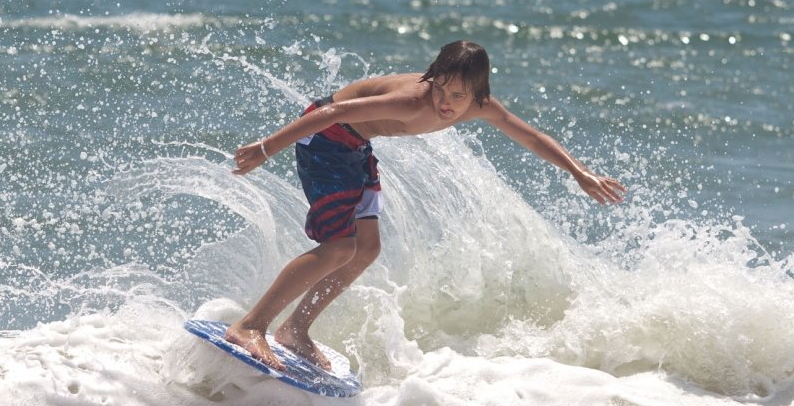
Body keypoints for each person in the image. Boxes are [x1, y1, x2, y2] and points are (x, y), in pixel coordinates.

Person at [227, 40, 625, 371]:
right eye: (440, 89)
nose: (446, 103)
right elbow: (332, 112)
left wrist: (579, 172)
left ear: (477, 95)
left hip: (355, 148)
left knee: (366, 249)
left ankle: (295, 329)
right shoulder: (412, 102)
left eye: (458, 96)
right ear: (432, 78)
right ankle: (251, 325)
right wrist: (266, 148)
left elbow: (532, 137)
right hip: (326, 141)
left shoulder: (481, 106)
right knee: (339, 248)